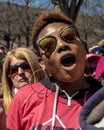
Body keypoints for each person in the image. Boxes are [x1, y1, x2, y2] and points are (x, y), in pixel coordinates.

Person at [6, 10, 102, 130]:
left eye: (69, 36)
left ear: (83, 46)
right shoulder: (24, 98)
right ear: (42, 63)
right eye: (48, 45)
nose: (62, 45)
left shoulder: (101, 99)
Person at [2, 47, 45, 114]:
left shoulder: (52, 99)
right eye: (14, 69)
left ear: (36, 67)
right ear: (9, 77)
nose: (20, 72)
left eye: (25, 66)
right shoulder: (2, 110)